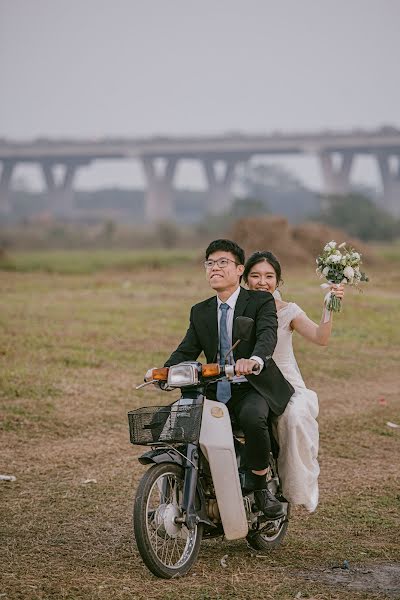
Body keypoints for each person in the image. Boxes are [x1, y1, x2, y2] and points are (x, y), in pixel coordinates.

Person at [164, 239, 294, 520]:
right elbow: (187, 349)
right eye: (210, 263)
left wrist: (255, 360)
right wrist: (163, 371)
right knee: (181, 423)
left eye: (223, 263)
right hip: (213, 387)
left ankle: (260, 487)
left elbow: (267, 335)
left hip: (252, 385)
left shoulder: (259, 301)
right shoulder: (200, 311)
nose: (215, 269)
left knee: (253, 417)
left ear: (238, 271)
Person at [243, 250, 345, 512]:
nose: (262, 281)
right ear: (245, 279)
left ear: (278, 281)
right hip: (247, 379)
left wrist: (329, 306)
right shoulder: (236, 307)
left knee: (295, 416)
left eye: (269, 276)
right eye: (255, 276)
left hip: (284, 382)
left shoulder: (289, 311)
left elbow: (320, 338)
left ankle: (294, 489)